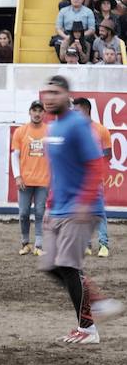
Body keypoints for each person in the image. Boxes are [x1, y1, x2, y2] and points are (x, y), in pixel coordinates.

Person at [38, 75, 123, 344]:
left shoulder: (77, 124)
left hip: (80, 207)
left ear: (67, 95)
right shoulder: (53, 127)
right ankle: (97, 302)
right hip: (58, 207)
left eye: (54, 92)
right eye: (46, 92)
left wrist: (85, 203)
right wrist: (50, 203)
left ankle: (88, 329)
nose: (49, 97)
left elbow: (96, 164)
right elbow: (59, 170)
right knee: (50, 265)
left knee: (67, 265)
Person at [73, 97, 112, 257]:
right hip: (77, 179)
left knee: (98, 212)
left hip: (94, 179)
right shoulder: (74, 130)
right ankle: (87, 245)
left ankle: (103, 245)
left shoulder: (101, 130)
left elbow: (108, 154)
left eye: (76, 111)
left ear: (86, 110)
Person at [10, 100, 49, 256]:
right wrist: (18, 176)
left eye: (40, 110)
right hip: (25, 181)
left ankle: (39, 246)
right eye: (34, 110)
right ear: (30, 112)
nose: (37, 113)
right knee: (23, 213)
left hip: (43, 181)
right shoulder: (21, 131)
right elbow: (15, 156)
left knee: (40, 212)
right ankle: (25, 243)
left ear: (44, 113)